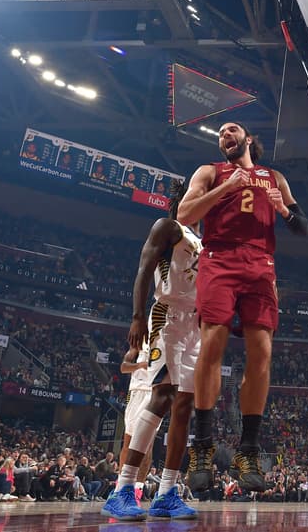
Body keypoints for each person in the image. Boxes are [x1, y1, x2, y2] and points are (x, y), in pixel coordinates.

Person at [178, 122, 308, 493]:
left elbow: (302, 227)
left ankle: (248, 450)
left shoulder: (274, 177)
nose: (225, 135)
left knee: (262, 352)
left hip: (261, 264)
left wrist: (283, 210)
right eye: (220, 133)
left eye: (232, 130)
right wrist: (226, 188)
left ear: (248, 139)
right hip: (218, 258)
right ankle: (202, 444)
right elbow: (185, 215)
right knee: (213, 344)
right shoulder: (209, 172)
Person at [101, 180, 203, 521]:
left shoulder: (204, 240)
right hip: (167, 317)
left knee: (185, 407)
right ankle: (123, 488)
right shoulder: (168, 227)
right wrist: (137, 317)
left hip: (196, 326)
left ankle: (167, 493)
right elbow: (143, 269)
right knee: (162, 396)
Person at [117, 345, 154, 504]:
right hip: (137, 391)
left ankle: (137, 490)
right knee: (129, 443)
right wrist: (140, 365)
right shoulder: (138, 344)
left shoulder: (166, 339)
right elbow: (124, 367)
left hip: (155, 392)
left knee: (148, 447)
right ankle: (120, 487)